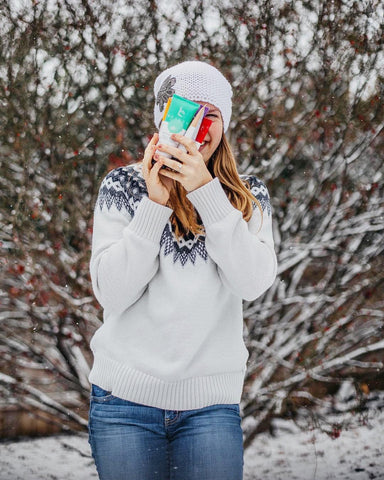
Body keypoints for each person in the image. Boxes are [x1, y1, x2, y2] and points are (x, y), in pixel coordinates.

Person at [87, 60, 277, 480]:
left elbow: (252, 283)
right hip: (123, 403)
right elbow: (113, 295)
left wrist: (207, 194)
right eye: (188, 113)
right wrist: (154, 205)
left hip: (210, 407)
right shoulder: (123, 187)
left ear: (224, 124)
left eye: (212, 116)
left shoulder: (248, 195)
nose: (200, 128)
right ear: (164, 117)